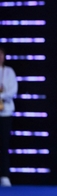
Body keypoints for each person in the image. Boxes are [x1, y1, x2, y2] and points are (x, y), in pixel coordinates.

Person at [0, 46, 17, 187]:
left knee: (4, 145)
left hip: (5, 112)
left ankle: (4, 176)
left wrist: (1, 95)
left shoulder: (9, 72)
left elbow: (12, 90)